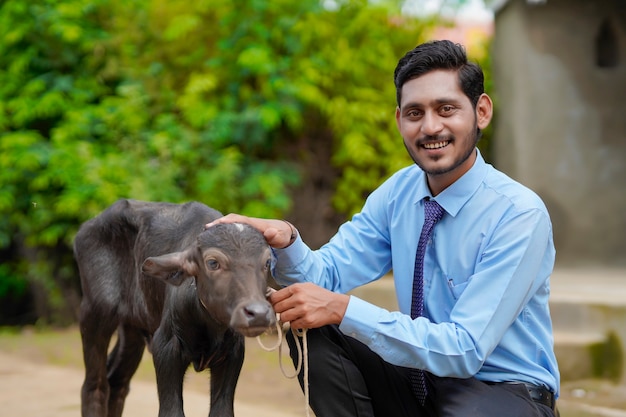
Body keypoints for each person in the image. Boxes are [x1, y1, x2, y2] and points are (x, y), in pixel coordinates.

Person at [207, 40, 559, 417]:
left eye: (446, 109)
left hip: (501, 392)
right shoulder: (397, 194)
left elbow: (465, 349)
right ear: (398, 121)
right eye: (414, 113)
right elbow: (326, 276)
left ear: (481, 111)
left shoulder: (518, 214)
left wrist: (344, 309)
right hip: (418, 380)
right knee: (311, 322)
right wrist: (287, 240)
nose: (430, 127)